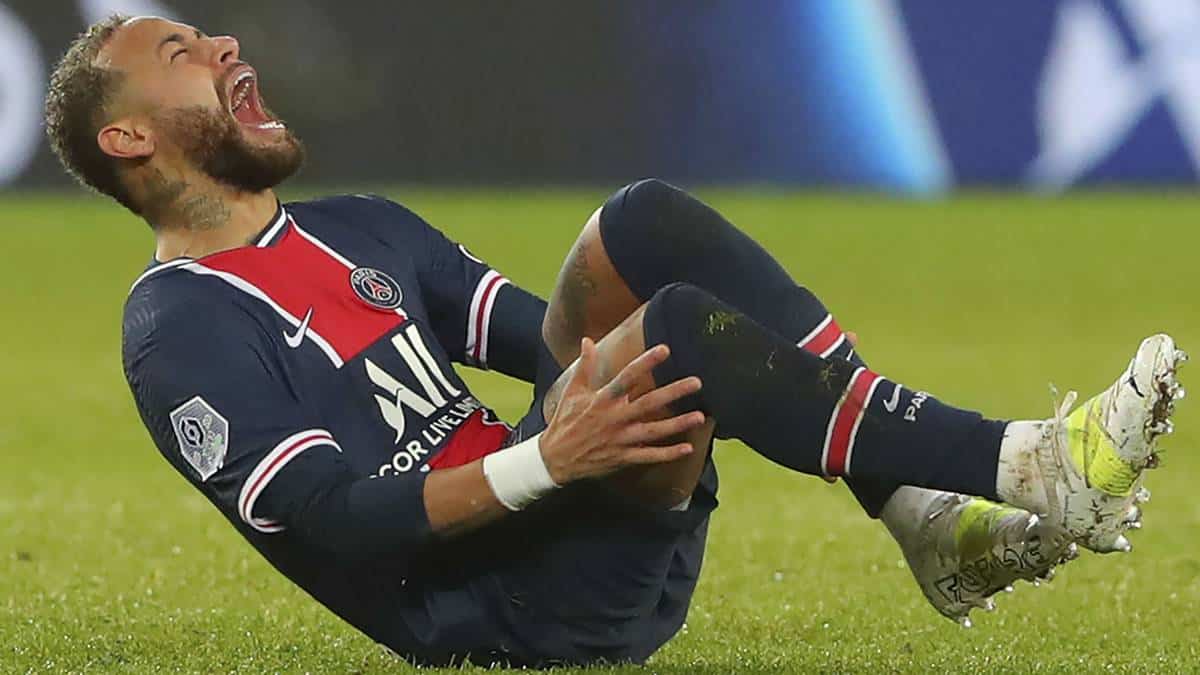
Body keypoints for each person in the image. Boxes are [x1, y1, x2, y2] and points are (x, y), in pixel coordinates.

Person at [45, 15, 1186, 667]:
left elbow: (532, 326)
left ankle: (918, 511)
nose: (222, 40)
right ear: (130, 136)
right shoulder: (176, 329)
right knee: (674, 331)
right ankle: (1019, 465)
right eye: (182, 50)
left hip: (576, 513)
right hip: (512, 611)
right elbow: (334, 518)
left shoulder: (359, 229)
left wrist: (562, 442)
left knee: (644, 226)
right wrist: (551, 458)